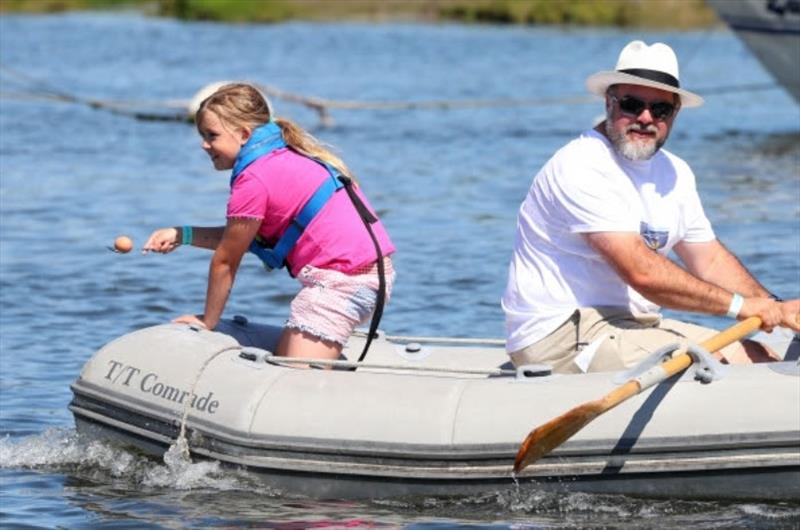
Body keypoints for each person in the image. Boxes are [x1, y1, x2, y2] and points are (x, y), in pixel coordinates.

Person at [501, 40, 800, 374]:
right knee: (721, 369)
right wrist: (740, 307)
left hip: (634, 325)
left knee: (758, 357)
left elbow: (710, 259)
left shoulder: (676, 172)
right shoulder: (581, 164)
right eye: (631, 104)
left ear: (674, 114)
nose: (645, 118)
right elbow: (640, 271)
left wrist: (778, 308)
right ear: (608, 102)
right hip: (561, 335)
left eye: (660, 110)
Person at [143, 82, 395, 362]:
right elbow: (240, 238)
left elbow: (227, 258)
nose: (204, 144)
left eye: (211, 135)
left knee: (294, 379)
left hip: (344, 282)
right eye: (202, 135)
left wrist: (209, 322)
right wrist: (183, 234)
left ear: (243, 134)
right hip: (367, 276)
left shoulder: (253, 179)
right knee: (283, 361)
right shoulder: (279, 155)